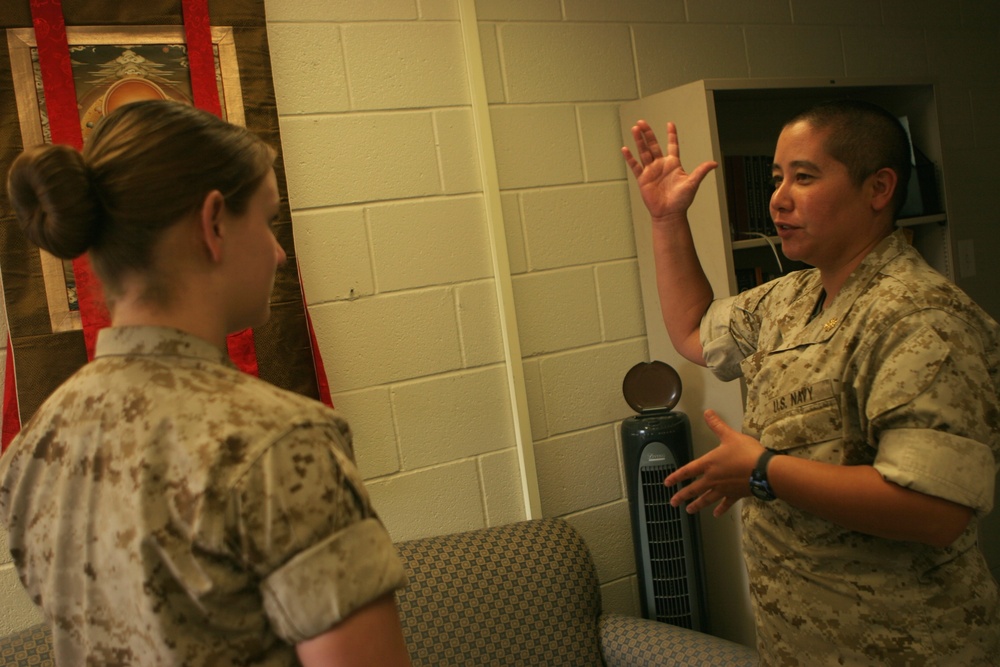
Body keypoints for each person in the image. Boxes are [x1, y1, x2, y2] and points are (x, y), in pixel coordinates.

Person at [0, 100, 413, 666]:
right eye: (267, 220)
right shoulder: (278, 441)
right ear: (213, 222)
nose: (279, 251)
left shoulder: (35, 448)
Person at [622, 100, 1000, 665]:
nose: (778, 198)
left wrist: (762, 470)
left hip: (909, 648)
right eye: (776, 178)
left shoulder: (919, 318)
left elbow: (935, 512)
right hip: (802, 644)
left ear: (878, 189)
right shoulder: (792, 297)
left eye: (804, 176)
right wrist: (666, 220)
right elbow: (693, 330)